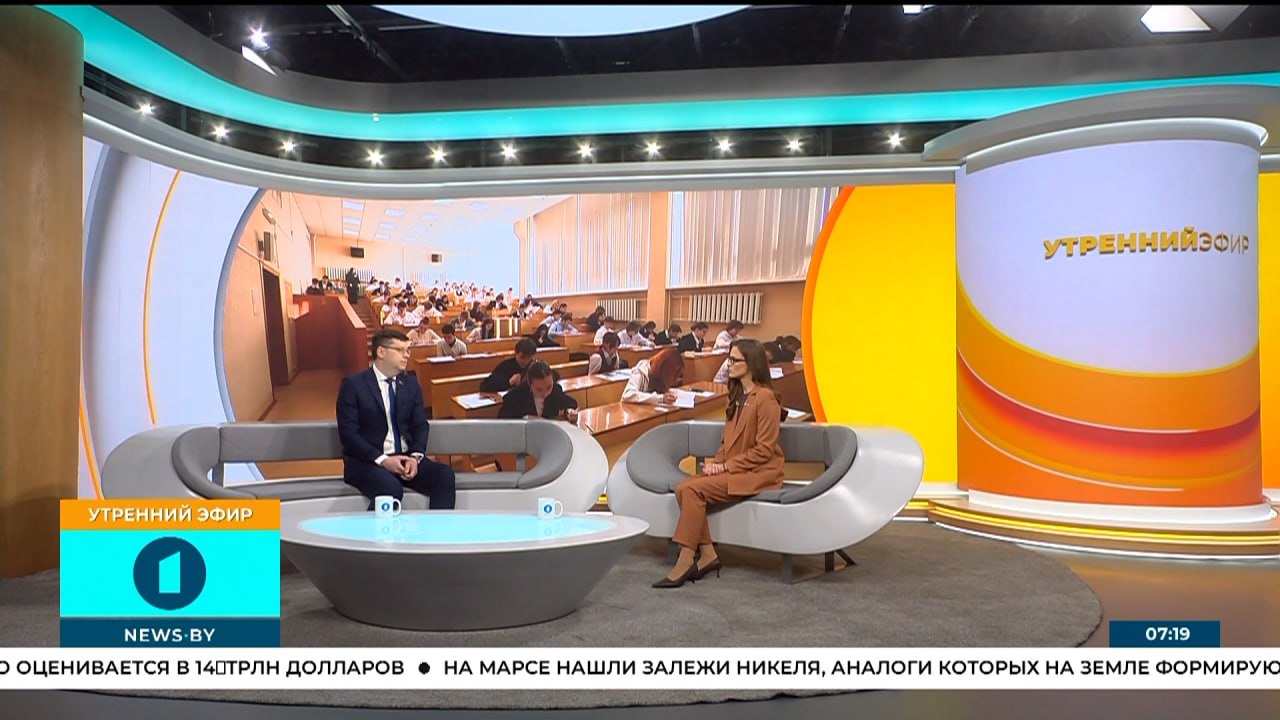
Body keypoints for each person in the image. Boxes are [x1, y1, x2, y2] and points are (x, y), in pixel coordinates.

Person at [654, 339, 785, 588]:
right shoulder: (737, 396)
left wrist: (724, 467)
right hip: (735, 469)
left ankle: (685, 558)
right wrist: (716, 462)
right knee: (683, 487)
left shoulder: (766, 399)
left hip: (759, 472)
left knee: (691, 490)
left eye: (734, 360)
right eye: (729, 358)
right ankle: (708, 553)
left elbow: (764, 451)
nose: (729, 364)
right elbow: (727, 443)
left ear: (751, 364)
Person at [336, 329, 456, 511]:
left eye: (408, 350)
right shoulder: (354, 385)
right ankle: (372, 530)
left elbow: (420, 425)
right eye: (400, 350)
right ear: (381, 352)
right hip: (368, 462)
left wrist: (415, 457)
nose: (406, 355)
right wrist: (383, 460)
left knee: (444, 476)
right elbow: (349, 434)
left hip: (405, 459)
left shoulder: (410, 384)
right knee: (390, 489)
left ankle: (436, 529)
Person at [499, 361, 579, 422]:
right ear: (530, 384)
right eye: (539, 389)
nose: (545, 393)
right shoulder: (516, 395)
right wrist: (523, 419)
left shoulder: (555, 389)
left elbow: (568, 401)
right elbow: (504, 419)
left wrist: (569, 411)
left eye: (549, 387)